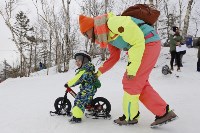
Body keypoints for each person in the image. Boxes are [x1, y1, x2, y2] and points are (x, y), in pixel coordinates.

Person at [78, 12, 177, 126]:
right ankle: (164, 112)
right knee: (139, 83)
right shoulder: (108, 36)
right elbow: (114, 58)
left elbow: (137, 40)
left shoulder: (112, 23)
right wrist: (98, 73)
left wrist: (132, 68)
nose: (88, 38)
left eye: (86, 34)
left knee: (131, 81)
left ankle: (131, 117)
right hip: (145, 45)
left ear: (91, 27)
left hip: (147, 42)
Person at [64, 51, 101, 123]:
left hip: (88, 89)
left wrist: (68, 84)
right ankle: (88, 106)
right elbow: (79, 80)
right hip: (89, 88)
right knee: (84, 98)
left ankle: (77, 118)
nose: (77, 62)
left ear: (85, 61)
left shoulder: (84, 71)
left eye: (79, 60)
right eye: (76, 61)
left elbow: (76, 79)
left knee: (79, 100)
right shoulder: (87, 69)